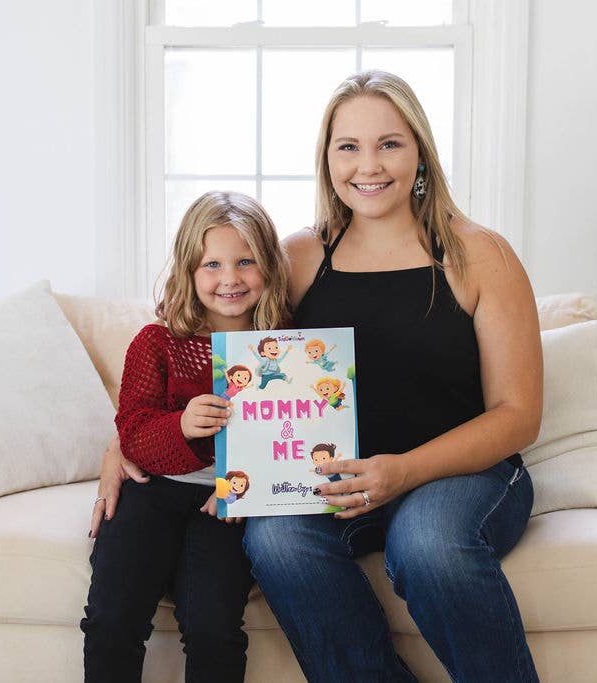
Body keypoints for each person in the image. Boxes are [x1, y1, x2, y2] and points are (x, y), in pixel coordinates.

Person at [92, 70, 543, 682]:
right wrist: (125, 441)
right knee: (274, 540)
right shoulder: (300, 257)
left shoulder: (480, 254)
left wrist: (404, 470)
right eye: (348, 146)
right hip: (334, 478)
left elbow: (518, 414)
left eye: (389, 144)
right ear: (327, 159)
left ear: (420, 153)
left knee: (427, 546)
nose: (368, 165)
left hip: (464, 474)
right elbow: (227, 354)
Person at [80, 191, 290, 683]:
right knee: (112, 618)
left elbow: (293, 436)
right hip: (151, 493)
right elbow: (132, 432)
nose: (230, 278)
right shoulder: (157, 343)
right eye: (212, 264)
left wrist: (245, 483)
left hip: (226, 507)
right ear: (189, 272)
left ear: (269, 267)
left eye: (245, 262)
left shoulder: (287, 348)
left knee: (215, 629)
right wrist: (179, 425)